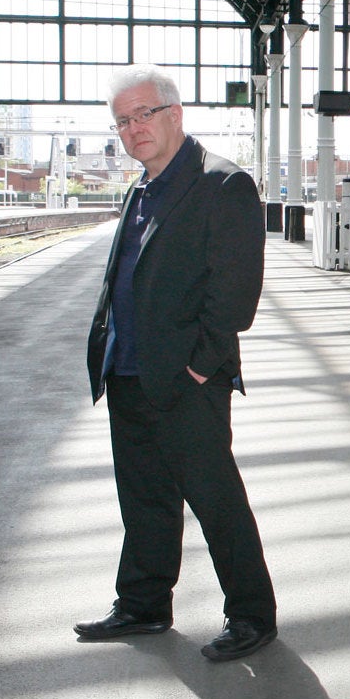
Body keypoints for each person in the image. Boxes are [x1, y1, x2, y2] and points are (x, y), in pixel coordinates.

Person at [77, 64, 277, 662]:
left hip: (188, 379)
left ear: (175, 114)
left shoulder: (222, 185)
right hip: (129, 372)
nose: (133, 129)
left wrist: (199, 366)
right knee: (143, 496)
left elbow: (236, 293)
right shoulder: (140, 188)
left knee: (215, 499)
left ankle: (251, 615)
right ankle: (143, 604)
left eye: (143, 115)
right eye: (122, 121)